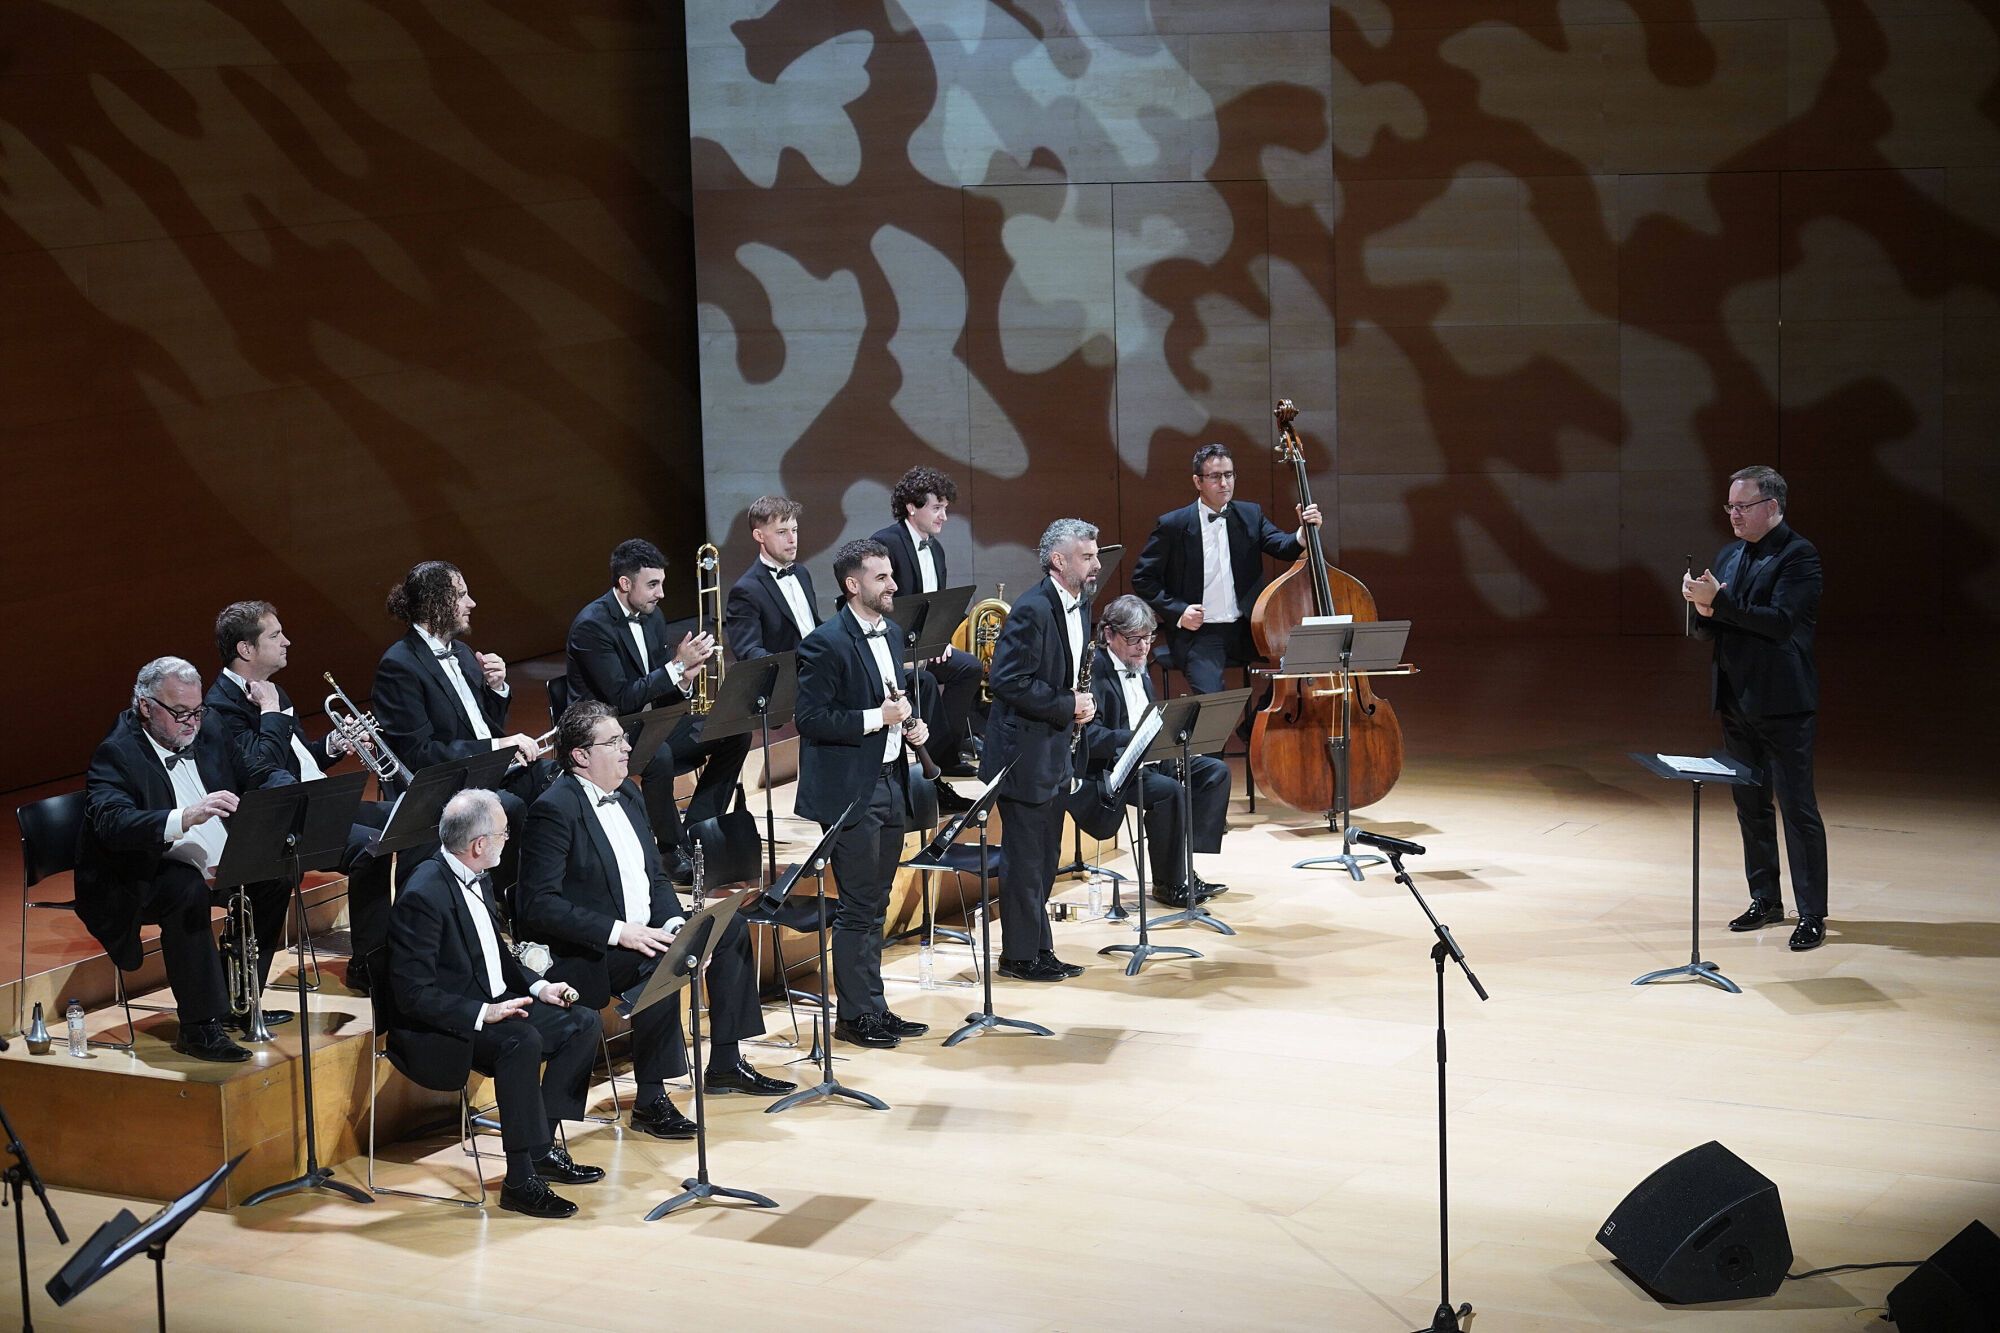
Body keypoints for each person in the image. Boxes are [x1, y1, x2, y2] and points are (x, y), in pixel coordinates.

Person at [515, 700, 792, 1141]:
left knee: (728, 929)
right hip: (591, 949)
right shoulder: (554, 810)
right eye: (613, 742)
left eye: (623, 739)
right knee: (664, 962)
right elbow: (538, 905)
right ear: (581, 755)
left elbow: (655, 877)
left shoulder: (629, 794)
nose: (627, 748)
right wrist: (621, 932)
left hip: (645, 931)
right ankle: (650, 1099)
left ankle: (725, 1061)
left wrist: (675, 924)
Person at [386, 789, 604, 1219]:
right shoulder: (423, 895)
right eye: (504, 833)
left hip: (495, 1002)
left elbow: (497, 955)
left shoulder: (477, 875)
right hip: (448, 1022)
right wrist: (483, 1013)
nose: (509, 839)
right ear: (479, 844)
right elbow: (412, 994)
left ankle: (541, 1148)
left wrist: (540, 987)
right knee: (520, 1041)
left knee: (583, 1022)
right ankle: (519, 1181)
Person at [76, 657, 292, 1062]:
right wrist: (184, 817)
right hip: (138, 873)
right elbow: (111, 822)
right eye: (180, 713)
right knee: (186, 890)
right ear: (145, 706)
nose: (191, 722)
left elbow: (253, 772)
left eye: (197, 711)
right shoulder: (117, 752)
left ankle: (240, 1001)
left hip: (213, 856)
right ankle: (199, 1027)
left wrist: (288, 789)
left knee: (274, 875)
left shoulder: (209, 727)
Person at [203, 600, 405, 995]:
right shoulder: (220, 706)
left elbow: (295, 759)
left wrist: (332, 745)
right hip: (281, 823)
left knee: (411, 816)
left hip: (313, 805)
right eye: (276, 635)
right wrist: (271, 713)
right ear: (246, 649)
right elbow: (260, 769)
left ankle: (406, 944)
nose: (287, 642)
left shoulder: (273, 691)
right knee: (370, 848)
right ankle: (369, 964)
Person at [1683, 465, 1829, 951]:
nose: (1734, 515)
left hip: (1782, 703)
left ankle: (1812, 913)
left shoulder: (1799, 555)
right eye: (1730, 506)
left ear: (1772, 506)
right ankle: (1765, 899)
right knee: (1750, 805)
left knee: (1797, 809)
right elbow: (1716, 628)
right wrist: (1702, 607)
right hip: (1736, 698)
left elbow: (1781, 622)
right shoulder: (1729, 555)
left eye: (1742, 506)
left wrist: (1719, 604)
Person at [794, 538, 931, 1047]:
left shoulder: (891, 634)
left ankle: (875, 1007)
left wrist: (910, 725)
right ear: (853, 585)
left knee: (877, 902)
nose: (893, 584)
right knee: (857, 906)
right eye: (882, 577)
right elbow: (811, 719)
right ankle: (853, 1017)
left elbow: (893, 702)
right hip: (851, 792)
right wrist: (879, 717)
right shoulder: (824, 643)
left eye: (891, 574)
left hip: (891, 781)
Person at [565, 539, 752, 879]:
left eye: (662, 584)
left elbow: (660, 688)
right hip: (604, 733)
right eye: (652, 584)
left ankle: (697, 833)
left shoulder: (652, 617)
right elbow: (621, 699)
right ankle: (669, 850)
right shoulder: (592, 625)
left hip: (645, 722)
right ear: (625, 583)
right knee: (659, 754)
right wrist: (677, 667)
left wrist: (685, 680)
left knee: (734, 731)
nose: (661, 594)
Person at [368, 560, 549, 889]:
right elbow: (419, 753)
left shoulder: (463, 653)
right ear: (436, 603)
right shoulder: (399, 665)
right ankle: (513, 900)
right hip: (450, 784)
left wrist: (497, 689)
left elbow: (484, 726)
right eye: (462, 595)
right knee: (509, 807)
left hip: (489, 769)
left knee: (557, 781)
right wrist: (497, 747)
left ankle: (553, 887)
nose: (472, 603)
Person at [979, 519, 1101, 982]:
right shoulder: (1032, 609)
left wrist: (1082, 704)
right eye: (1087, 557)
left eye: (1094, 555)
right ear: (1058, 560)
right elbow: (1007, 681)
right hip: (1023, 756)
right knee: (1026, 862)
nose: (1096, 564)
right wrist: (1068, 704)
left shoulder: (1080, 605)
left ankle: (1038, 948)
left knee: (1046, 858)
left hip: (1053, 750)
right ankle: (1018, 956)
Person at [1068, 596, 1232, 907]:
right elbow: (1090, 736)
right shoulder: (1093, 671)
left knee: (1215, 772)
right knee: (1169, 792)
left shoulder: (1138, 665)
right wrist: (1135, 739)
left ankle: (1183, 865)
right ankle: (1169, 885)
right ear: (1109, 634)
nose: (1143, 647)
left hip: (1151, 756)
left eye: (1148, 638)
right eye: (1134, 639)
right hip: (1115, 767)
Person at [1132, 442, 1323, 694]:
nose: (1224, 483)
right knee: (1214, 702)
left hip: (1249, 628)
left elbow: (1282, 547)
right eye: (1215, 476)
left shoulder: (1250, 514)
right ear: (1198, 481)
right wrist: (1179, 612)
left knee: (1302, 663)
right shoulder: (1173, 525)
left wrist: (1303, 534)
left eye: (1229, 475)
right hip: (1200, 634)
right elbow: (1143, 578)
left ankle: (1260, 718)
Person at [872, 466, 985, 788]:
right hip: (894, 652)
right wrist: (921, 643)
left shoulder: (935, 548)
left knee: (970, 668)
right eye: (937, 508)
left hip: (926, 646)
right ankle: (932, 760)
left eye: (945, 508)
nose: (944, 517)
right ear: (912, 506)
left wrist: (939, 637)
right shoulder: (885, 543)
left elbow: (937, 605)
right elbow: (881, 607)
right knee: (926, 680)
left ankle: (947, 752)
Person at [724, 495, 823, 661]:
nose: (792, 539)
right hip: (787, 674)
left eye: (794, 530)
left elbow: (811, 628)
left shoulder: (801, 573)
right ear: (759, 536)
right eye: (782, 532)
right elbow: (749, 652)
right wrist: (795, 666)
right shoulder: (746, 590)